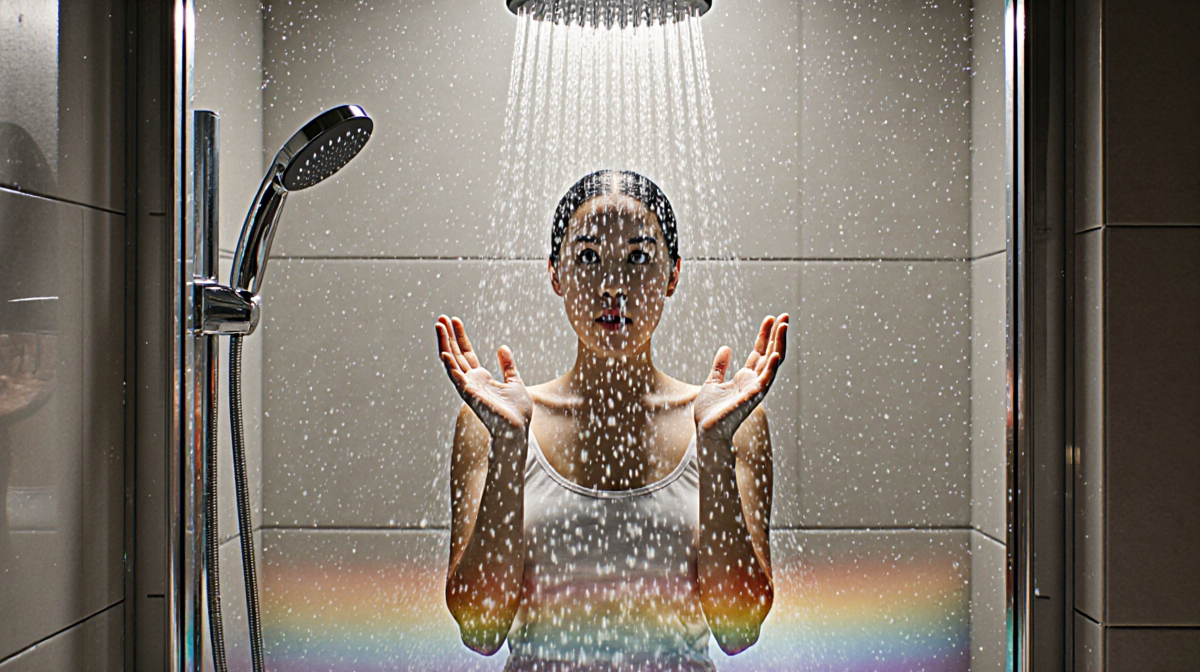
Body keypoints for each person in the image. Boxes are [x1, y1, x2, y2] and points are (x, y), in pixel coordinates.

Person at [435, 170, 787, 671]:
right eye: (588, 257)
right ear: (555, 273)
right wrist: (510, 447)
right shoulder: (494, 424)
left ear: (673, 274)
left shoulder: (730, 424)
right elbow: (480, 628)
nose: (613, 286)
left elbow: (738, 629)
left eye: (639, 257)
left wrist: (713, 445)